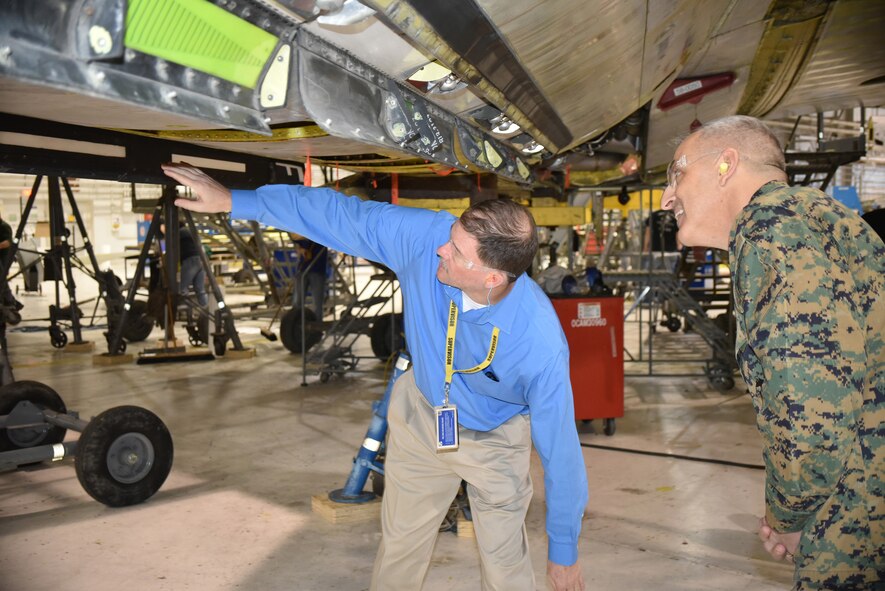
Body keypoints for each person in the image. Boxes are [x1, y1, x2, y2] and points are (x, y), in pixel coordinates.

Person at [162, 162, 589, 591]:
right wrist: (238, 201)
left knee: (506, 569)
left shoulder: (539, 343)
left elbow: (561, 453)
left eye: (457, 252)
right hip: (423, 414)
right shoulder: (427, 239)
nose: (442, 250)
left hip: (494, 439)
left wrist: (564, 551)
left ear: (492, 278)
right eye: (450, 239)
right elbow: (340, 215)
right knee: (400, 547)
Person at [660, 115, 883, 590]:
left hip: (857, 503)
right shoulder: (816, 218)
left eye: (676, 174)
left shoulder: (771, 230)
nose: (666, 197)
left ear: (726, 165)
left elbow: (812, 410)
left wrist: (790, 512)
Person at [290, 235, 327, 319]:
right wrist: (300, 248)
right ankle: (295, 323)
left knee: (317, 303)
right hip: (303, 268)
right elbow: (297, 241)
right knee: (297, 301)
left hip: (317, 267)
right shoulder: (301, 231)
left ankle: (317, 327)